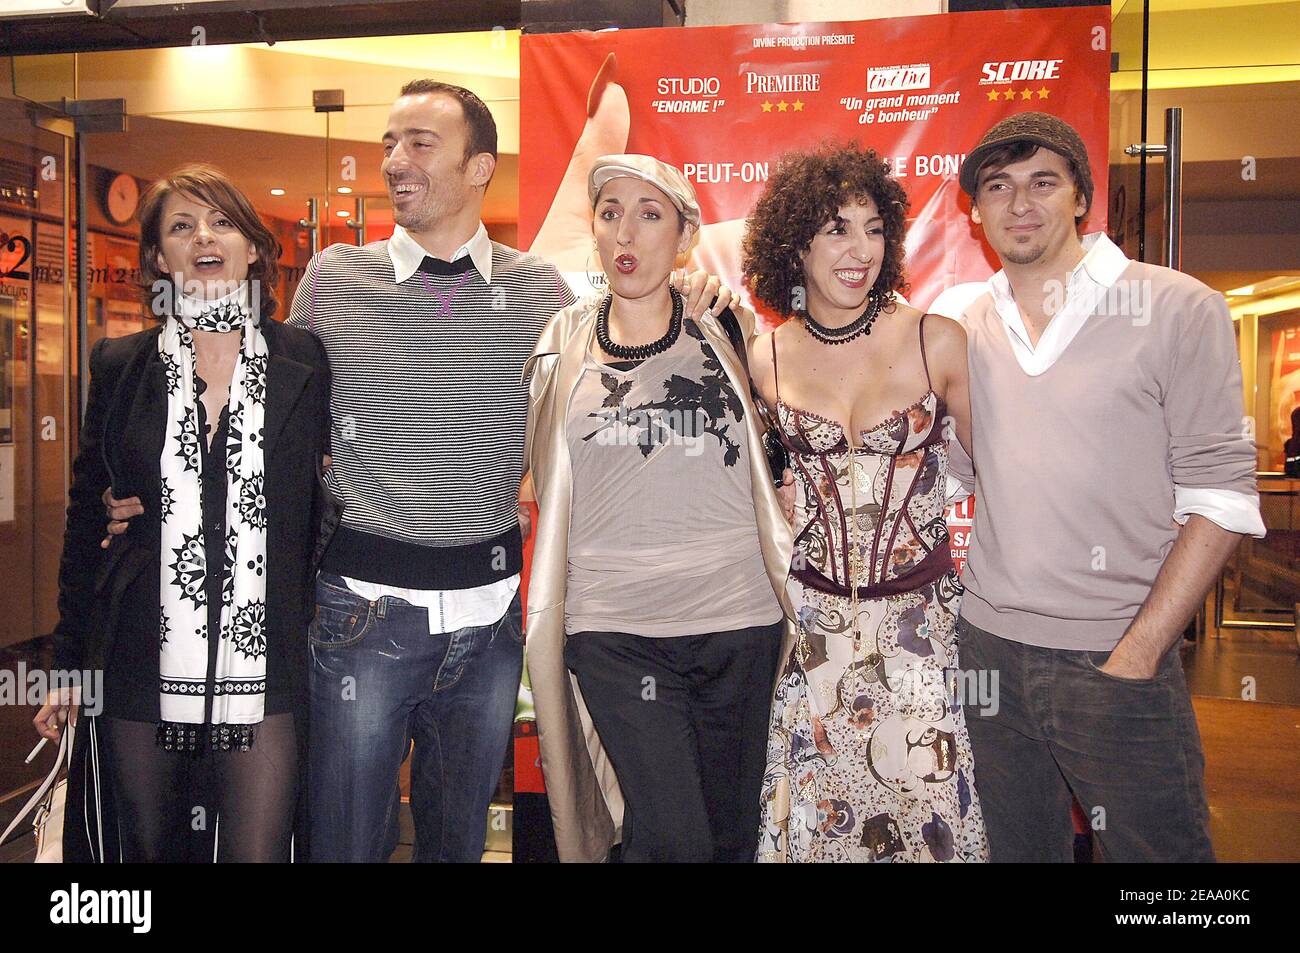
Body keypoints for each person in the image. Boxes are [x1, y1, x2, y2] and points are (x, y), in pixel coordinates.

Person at [102, 82, 737, 862]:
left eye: (420, 144)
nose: (396, 160)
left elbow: (627, 358)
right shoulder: (334, 280)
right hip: (360, 618)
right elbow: (261, 412)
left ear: (479, 167)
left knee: (458, 844)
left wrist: (697, 291)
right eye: (389, 142)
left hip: (493, 621)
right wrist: (139, 489)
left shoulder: (541, 293)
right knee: (344, 844)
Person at [951, 112, 1264, 862]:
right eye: (998, 186)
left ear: (1083, 198)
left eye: (1042, 182)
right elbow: (955, 470)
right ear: (975, 211)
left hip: (1116, 656)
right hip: (987, 651)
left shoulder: (1177, 306)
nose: (1019, 202)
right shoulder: (964, 325)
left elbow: (1220, 496)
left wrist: (1139, 650)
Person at [34, 164, 331, 862]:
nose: (204, 235)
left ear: (253, 247)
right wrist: (68, 665)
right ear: (156, 259)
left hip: (267, 657)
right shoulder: (119, 365)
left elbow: (326, 502)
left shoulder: (306, 361)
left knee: (258, 850)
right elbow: (86, 522)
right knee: (145, 852)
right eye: (181, 225)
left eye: (223, 221)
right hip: (140, 648)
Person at [524, 154, 795, 863]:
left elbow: (789, 443)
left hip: (738, 619)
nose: (627, 233)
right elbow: (538, 479)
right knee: (674, 836)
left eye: (650, 215)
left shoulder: (725, 325)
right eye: (610, 212)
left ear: (683, 235)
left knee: (730, 836)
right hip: (614, 629)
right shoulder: (561, 344)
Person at [743, 144, 989, 863]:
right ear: (797, 244)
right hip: (815, 634)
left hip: (921, 633)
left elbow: (1000, 479)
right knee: (824, 828)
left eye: (874, 227)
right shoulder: (764, 357)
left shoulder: (935, 339)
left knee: (926, 818)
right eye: (835, 228)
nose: (860, 249)